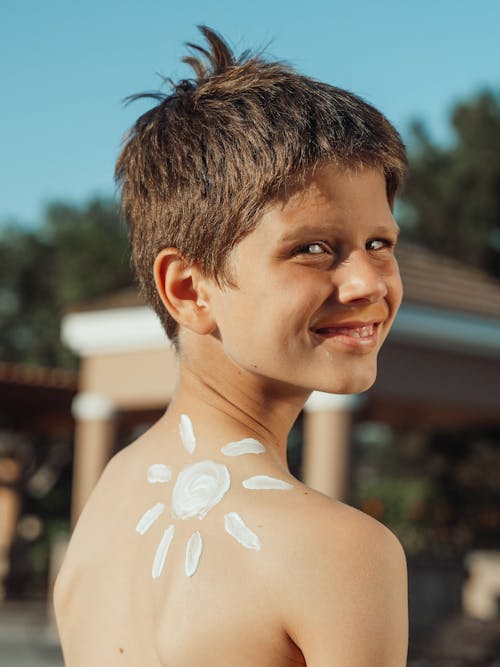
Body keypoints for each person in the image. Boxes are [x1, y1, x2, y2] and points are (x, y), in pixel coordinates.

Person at [54, 26, 409, 666]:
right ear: (190, 289)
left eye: (380, 243)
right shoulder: (340, 552)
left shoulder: (110, 497)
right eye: (313, 249)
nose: (366, 283)